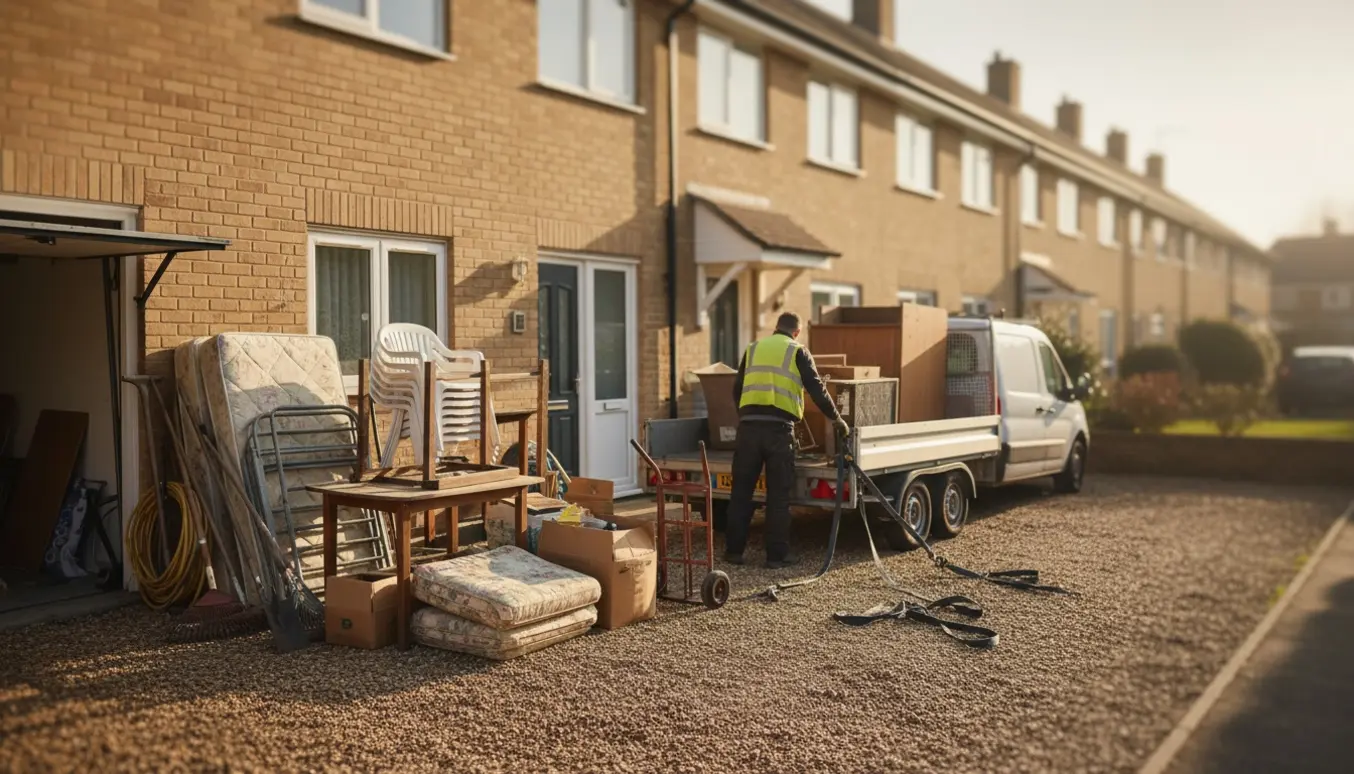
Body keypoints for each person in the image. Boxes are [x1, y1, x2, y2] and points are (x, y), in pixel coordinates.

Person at [725, 311, 849, 569]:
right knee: (778, 496)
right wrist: (837, 419)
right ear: (797, 332)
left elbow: (737, 390)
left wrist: (747, 415)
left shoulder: (754, 348)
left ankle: (733, 553)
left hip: (748, 430)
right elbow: (817, 390)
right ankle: (776, 556)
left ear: (775, 328)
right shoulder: (798, 351)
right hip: (779, 432)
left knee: (741, 493)